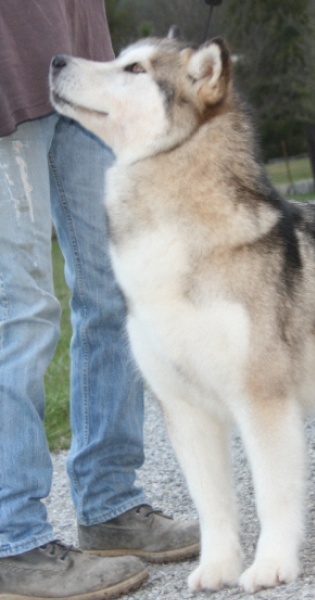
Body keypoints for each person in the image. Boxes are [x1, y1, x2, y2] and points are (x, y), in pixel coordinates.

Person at [0, 2, 199, 598]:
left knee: (116, 293)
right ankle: (14, 540)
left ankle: (110, 505)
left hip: (81, 64)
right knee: (21, 311)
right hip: (5, 67)